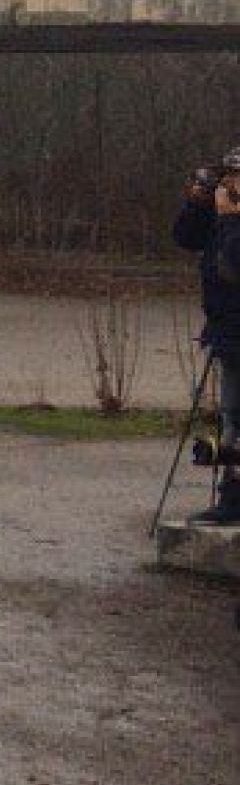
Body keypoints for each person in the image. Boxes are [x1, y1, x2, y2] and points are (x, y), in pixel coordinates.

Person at [172, 146, 240, 522]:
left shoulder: (233, 219)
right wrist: (199, 203)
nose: (229, 184)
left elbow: (233, 266)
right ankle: (230, 496)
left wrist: (231, 219)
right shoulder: (225, 211)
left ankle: (233, 498)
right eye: (226, 176)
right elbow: (185, 237)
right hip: (226, 328)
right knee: (231, 416)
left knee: (236, 416)